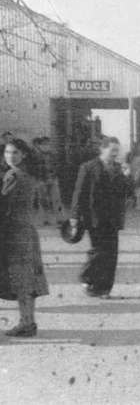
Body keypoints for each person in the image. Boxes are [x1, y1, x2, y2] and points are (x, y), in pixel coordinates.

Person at [69, 136, 131, 298]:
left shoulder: (119, 168)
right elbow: (78, 192)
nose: (115, 154)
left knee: (112, 254)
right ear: (102, 149)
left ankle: (103, 290)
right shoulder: (88, 167)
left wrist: (126, 176)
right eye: (112, 150)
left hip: (113, 218)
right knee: (99, 251)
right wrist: (74, 216)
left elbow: (127, 192)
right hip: (94, 217)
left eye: (117, 150)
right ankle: (87, 277)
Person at [0, 138, 49, 337]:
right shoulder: (29, 175)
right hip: (26, 232)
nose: (10, 156)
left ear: (24, 155)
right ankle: (28, 322)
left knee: (21, 280)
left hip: (14, 233)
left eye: (15, 153)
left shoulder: (12, 175)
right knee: (27, 280)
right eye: (7, 153)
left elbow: (4, 205)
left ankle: (26, 323)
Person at [32, 137, 64, 226]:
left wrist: (54, 176)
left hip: (53, 179)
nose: (46, 146)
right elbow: (34, 169)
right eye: (44, 145)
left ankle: (59, 218)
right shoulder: (36, 156)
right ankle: (45, 219)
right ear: (40, 146)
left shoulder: (53, 155)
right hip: (41, 180)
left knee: (56, 199)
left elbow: (57, 167)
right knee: (43, 200)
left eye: (48, 144)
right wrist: (39, 179)